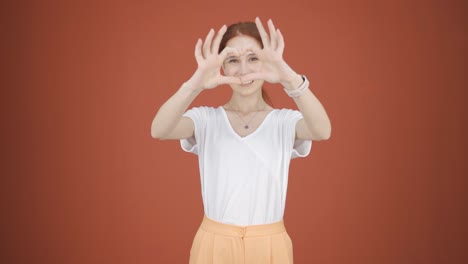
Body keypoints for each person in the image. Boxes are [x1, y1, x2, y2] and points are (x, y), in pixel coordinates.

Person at [151, 17, 331, 264]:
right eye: (233, 60)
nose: (244, 70)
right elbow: (159, 129)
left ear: (266, 62)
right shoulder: (207, 119)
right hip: (214, 245)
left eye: (253, 58)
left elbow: (322, 130)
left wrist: (288, 76)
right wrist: (196, 84)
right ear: (222, 67)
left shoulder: (283, 122)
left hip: (270, 246)